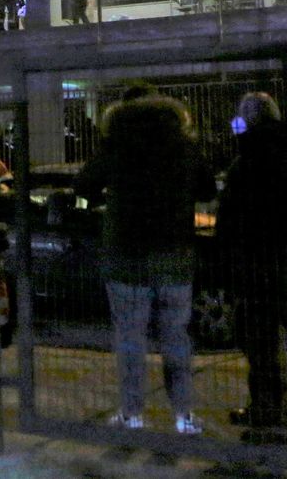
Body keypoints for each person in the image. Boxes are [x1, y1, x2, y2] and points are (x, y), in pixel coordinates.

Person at [76, 89, 215, 435]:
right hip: (174, 255)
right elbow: (208, 191)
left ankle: (132, 414)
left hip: (126, 257)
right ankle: (184, 416)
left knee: (130, 339)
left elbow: (83, 184)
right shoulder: (183, 147)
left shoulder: (118, 146)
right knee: (176, 338)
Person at [218, 92, 287, 429]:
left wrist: (226, 260)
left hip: (255, 262)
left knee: (261, 344)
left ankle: (267, 407)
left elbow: (229, 220)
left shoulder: (244, 162)